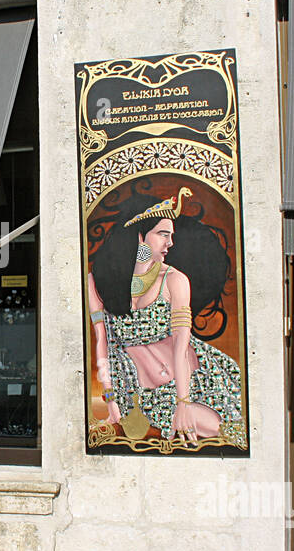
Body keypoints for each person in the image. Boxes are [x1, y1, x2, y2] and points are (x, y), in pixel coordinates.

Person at [86, 189, 242, 446]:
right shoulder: (98, 281)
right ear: (139, 235)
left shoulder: (174, 280)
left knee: (227, 434)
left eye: (171, 235)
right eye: (163, 234)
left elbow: (182, 346)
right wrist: (112, 400)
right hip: (137, 393)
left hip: (192, 381)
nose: (170, 243)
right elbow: (102, 343)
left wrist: (184, 402)